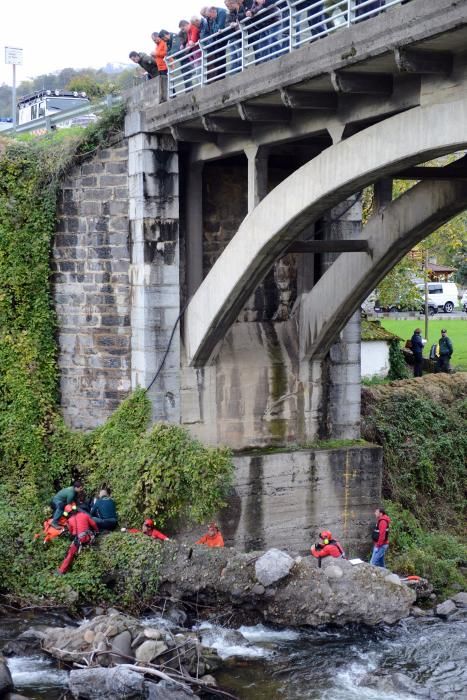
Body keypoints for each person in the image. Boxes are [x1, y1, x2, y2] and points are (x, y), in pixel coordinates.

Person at [56, 506, 99, 575]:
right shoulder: (84, 515)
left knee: (70, 553)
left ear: (67, 513)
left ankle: (61, 570)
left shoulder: (69, 520)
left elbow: (71, 532)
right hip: (89, 537)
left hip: (79, 540)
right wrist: (97, 531)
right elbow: (93, 524)